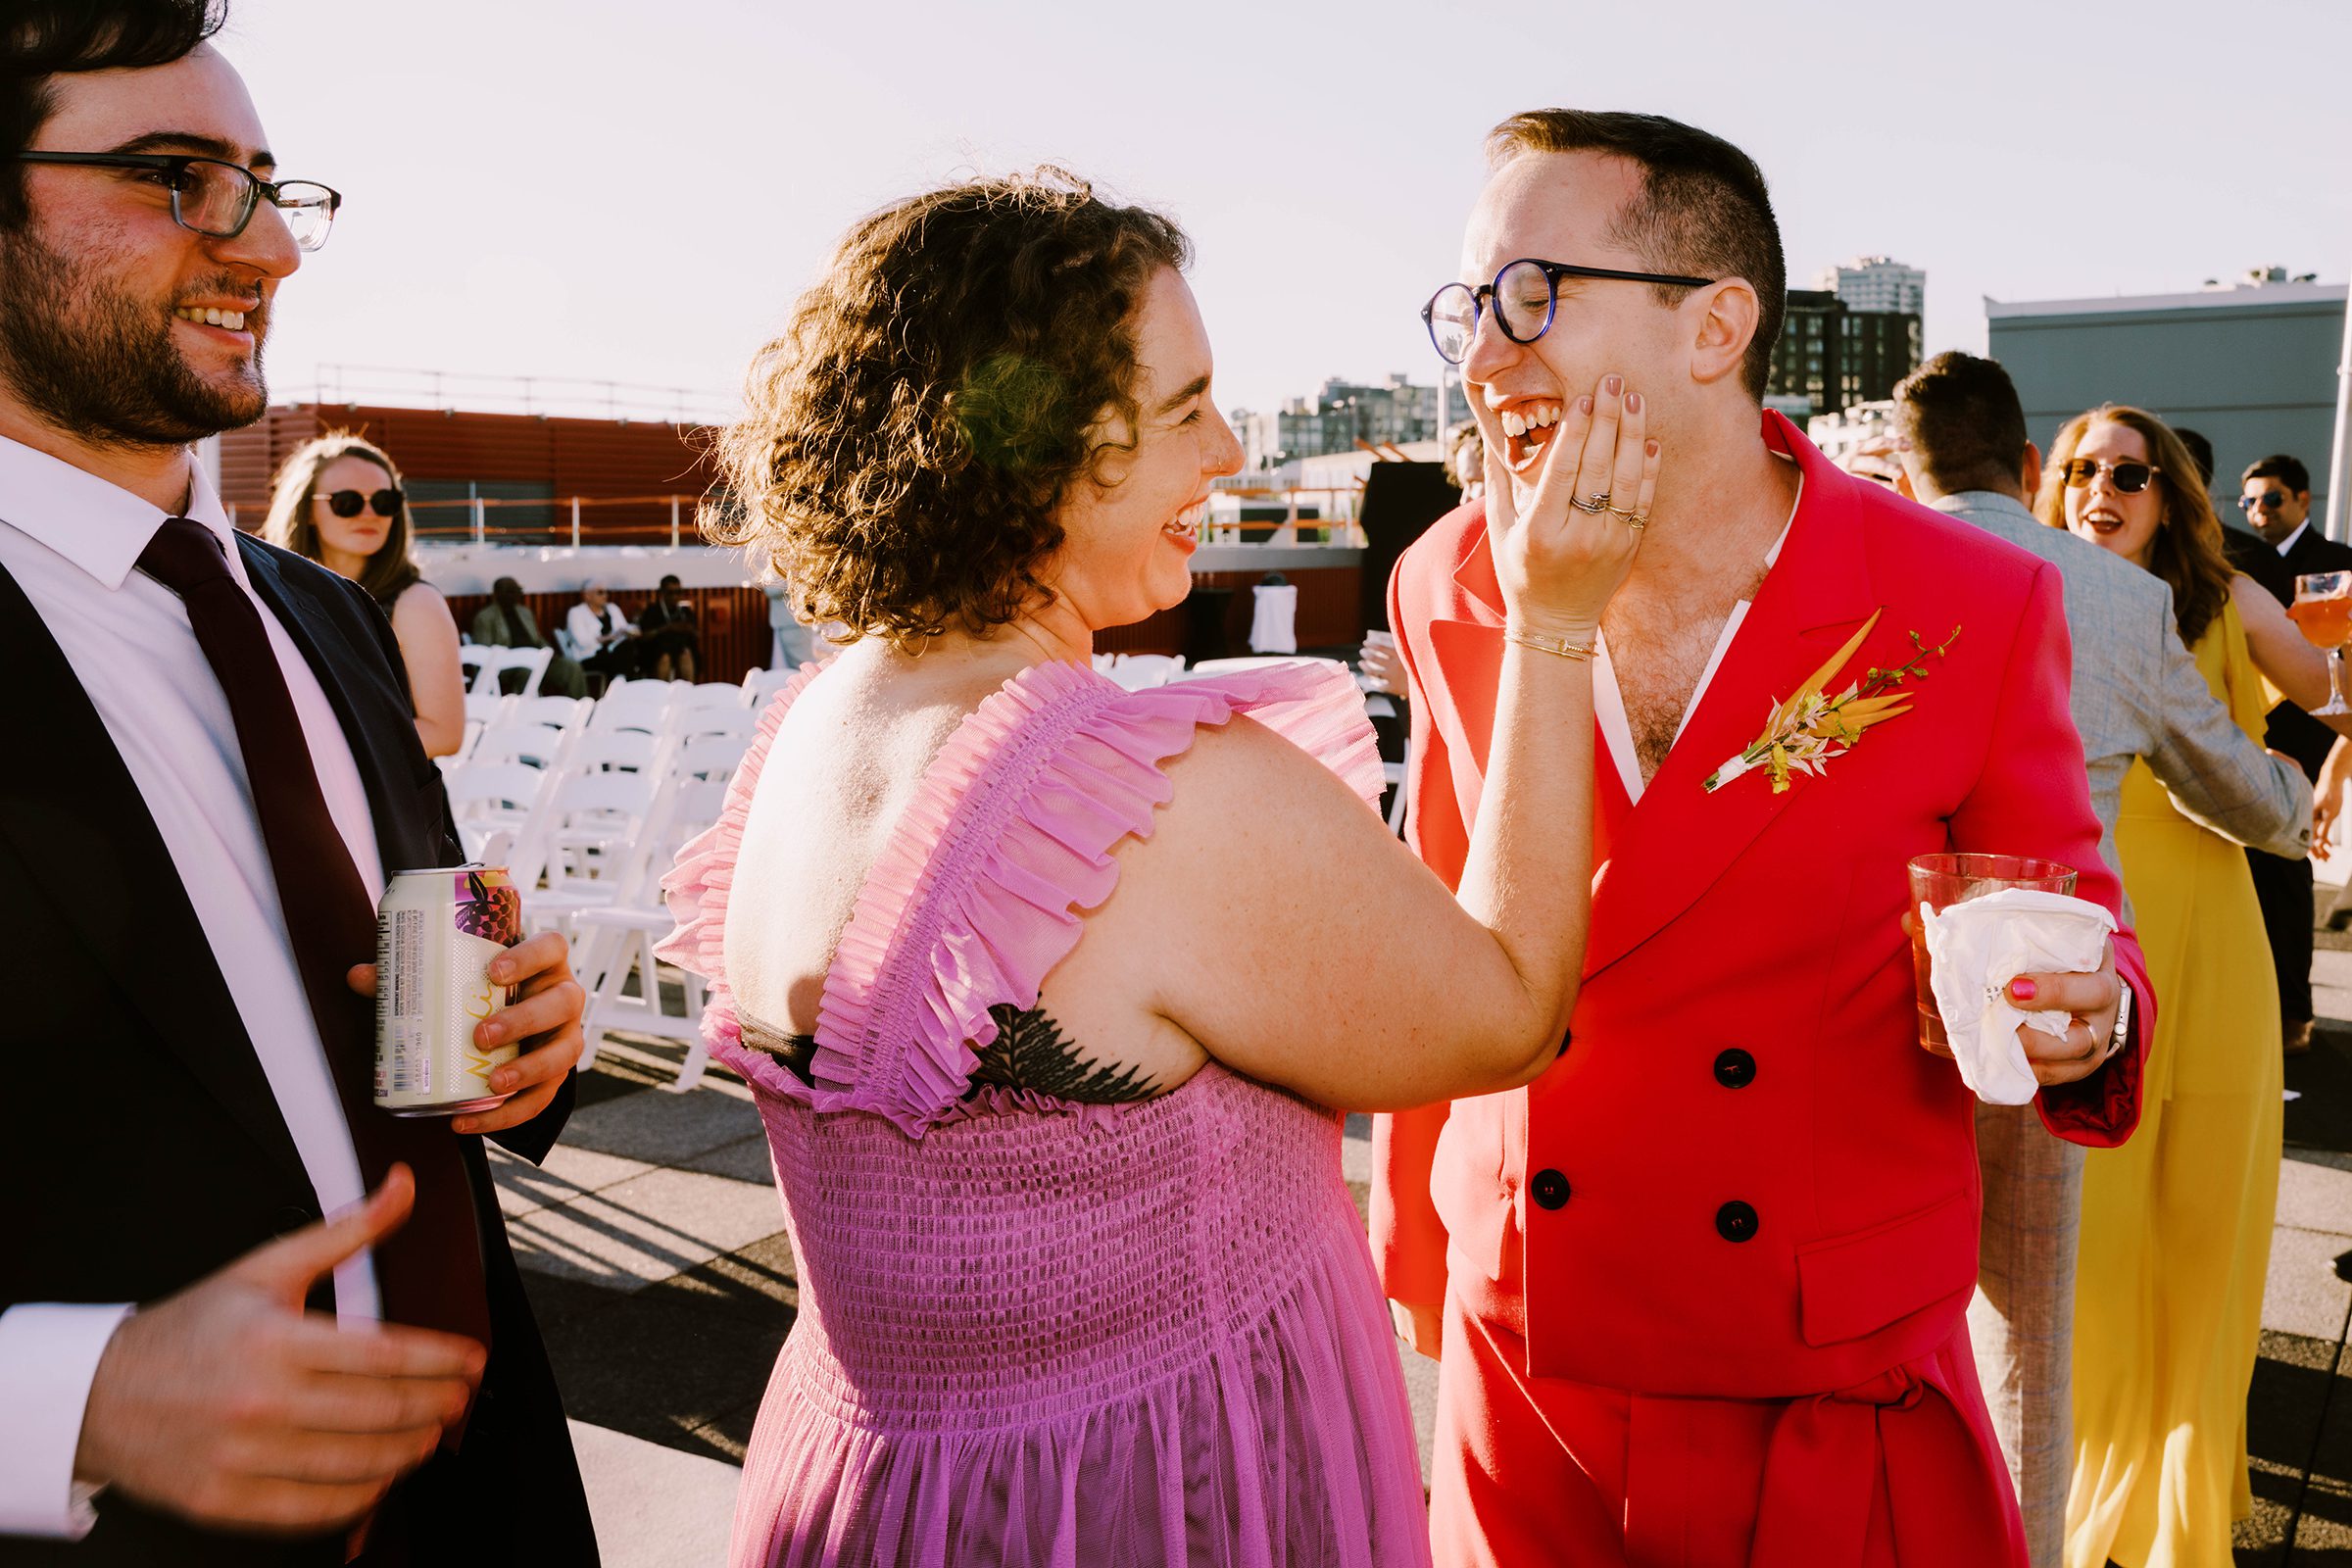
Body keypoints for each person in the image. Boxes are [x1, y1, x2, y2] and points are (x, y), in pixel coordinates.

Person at [656, 167, 1646, 1565]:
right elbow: (1508, 1009)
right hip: (1154, 1509)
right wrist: (1555, 624)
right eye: (1183, 410)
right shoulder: (1150, 797)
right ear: (1029, 446)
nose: (1230, 450)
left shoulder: (818, 723)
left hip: (865, 1501)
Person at [1375, 109, 2151, 1568]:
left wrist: (2091, 1010)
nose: (1484, 357)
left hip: (1820, 1385)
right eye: (1468, 310)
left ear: (1714, 324)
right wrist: (1420, 1240)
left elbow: (2073, 924)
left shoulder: (1966, 602)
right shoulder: (1445, 581)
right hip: (1523, 1367)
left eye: (1533, 298)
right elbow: (1441, 918)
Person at [0, 6, 596, 1561]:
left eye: (268, 184)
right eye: (178, 176)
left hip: (490, 1491)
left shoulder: (321, 612)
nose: (267, 248)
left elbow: (407, 979)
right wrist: (78, 1401)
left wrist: (523, 1039)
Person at [1890, 353, 2313, 1568]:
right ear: (2031, 469)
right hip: (2043, 1001)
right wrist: (2302, 803)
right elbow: (2240, 786)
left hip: (1858, 991)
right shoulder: (2115, 602)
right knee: (2030, 1331)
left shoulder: (1845, 557)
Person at [2035, 408, 2305, 1568]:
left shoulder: (2228, 602)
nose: (2104, 488)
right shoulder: (2021, 591)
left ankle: (2183, 1481)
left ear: (2171, 495)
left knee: (2203, 1214)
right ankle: (2077, 1473)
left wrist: (2316, 769)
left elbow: (2332, 690)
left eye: (2131, 474)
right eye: (2081, 469)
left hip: (2213, 932)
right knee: (2092, 1225)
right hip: (2093, 936)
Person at [2229, 454, 2352, 1055]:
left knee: (2287, 880)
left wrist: (2335, 768)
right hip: (2238, 738)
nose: (2258, 511)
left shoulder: (2340, 565)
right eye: (2249, 500)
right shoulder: (2237, 565)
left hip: (2313, 742)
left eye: (2272, 499)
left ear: (2304, 500)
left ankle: (2293, 1014)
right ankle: (2249, 1009)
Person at [260, 431, 465, 757]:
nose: (369, 513)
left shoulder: (415, 604)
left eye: (385, 502)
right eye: (347, 502)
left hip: (386, 802)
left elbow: (444, 735)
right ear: (308, 511)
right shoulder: (268, 593)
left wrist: (322, 745)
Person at [467, 574, 589, 699]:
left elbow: (537, 638)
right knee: (527, 671)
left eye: (517, 591)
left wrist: (548, 652)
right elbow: (484, 651)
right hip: (509, 665)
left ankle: (579, 710)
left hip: (537, 658)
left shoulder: (524, 612)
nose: (514, 595)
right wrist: (514, 658)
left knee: (571, 667)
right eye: (509, 592)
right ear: (497, 594)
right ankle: (530, 714)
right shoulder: (485, 617)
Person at [565, 578, 638, 683]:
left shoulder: (612, 608)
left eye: (606, 592)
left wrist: (632, 632)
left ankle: (620, 686)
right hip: (590, 656)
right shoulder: (576, 613)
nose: (605, 595)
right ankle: (623, 687)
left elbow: (625, 627)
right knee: (625, 655)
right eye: (600, 592)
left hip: (614, 652)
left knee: (628, 649)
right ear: (587, 595)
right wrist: (608, 637)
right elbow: (582, 642)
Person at [634, 572, 700, 681]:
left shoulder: (684, 611)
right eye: (670, 592)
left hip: (681, 647)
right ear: (662, 593)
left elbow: (697, 634)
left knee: (686, 655)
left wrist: (688, 628)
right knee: (664, 658)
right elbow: (644, 636)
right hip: (656, 649)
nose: (675, 596)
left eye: (678, 592)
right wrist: (667, 628)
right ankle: (661, 694)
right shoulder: (653, 610)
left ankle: (689, 692)